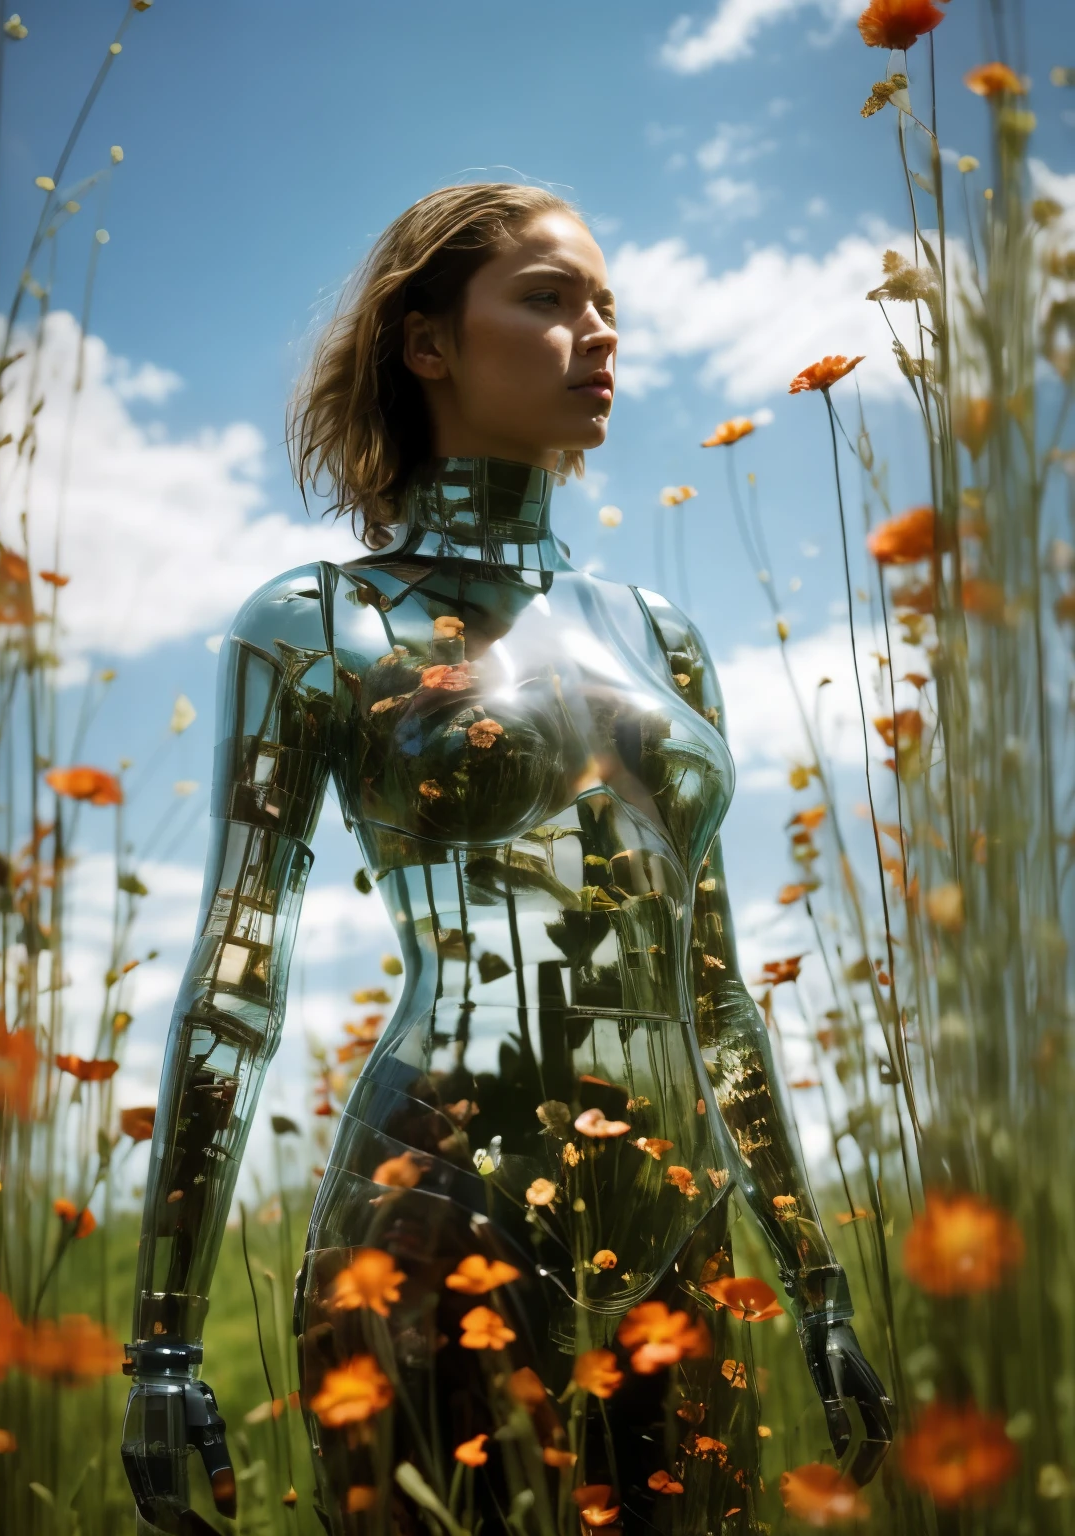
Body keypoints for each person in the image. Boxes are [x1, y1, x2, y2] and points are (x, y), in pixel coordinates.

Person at [121, 183, 892, 1535]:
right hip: (431, 1225)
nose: (597, 333)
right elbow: (238, 985)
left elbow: (707, 994)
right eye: (547, 297)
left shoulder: (661, 635)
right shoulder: (318, 623)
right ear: (425, 343)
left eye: (606, 305)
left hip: (684, 1241)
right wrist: (164, 1344)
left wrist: (816, 1286)